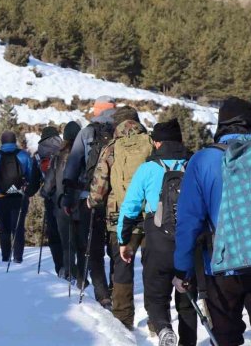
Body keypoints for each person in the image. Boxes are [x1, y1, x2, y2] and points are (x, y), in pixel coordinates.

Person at [172, 97, 251, 346]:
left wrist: (182, 269)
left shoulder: (203, 160)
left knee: (225, 337)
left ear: (222, 125)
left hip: (223, 263)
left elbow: (189, 221)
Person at [117, 119, 196, 346]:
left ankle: (163, 328)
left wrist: (124, 240)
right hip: (189, 239)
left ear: (156, 143)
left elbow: (130, 206)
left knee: (155, 294)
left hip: (158, 238)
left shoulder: (148, 168)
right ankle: (188, 342)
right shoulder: (193, 163)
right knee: (187, 300)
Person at [88, 116, 153, 330]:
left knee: (122, 265)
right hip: (151, 213)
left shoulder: (112, 148)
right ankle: (156, 320)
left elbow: (100, 181)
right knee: (152, 266)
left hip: (119, 215)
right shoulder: (151, 143)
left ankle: (124, 319)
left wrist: (92, 201)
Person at [62, 97, 120, 309]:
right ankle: (118, 288)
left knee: (93, 247)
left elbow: (73, 166)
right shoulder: (122, 130)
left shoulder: (86, 132)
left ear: (97, 111)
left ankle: (102, 293)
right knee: (116, 247)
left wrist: (68, 198)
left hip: (90, 198)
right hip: (118, 200)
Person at [0, 131, 34, 263]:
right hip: (19, 197)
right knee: (18, 228)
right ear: (14, 141)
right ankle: (18, 258)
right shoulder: (24, 155)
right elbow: (30, 176)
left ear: (2, 142)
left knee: (3, 229)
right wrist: (27, 190)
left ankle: (5, 258)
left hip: (0, 198)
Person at [43, 122, 83, 283]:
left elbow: (49, 184)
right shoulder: (86, 155)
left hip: (61, 205)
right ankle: (81, 276)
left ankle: (68, 272)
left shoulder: (57, 157)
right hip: (81, 204)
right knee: (81, 243)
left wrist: (46, 194)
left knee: (66, 244)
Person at [33, 126, 64, 274]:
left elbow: (34, 181)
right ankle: (72, 266)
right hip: (67, 197)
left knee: (54, 235)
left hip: (50, 198)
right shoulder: (66, 149)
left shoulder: (39, 154)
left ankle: (60, 268)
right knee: (69, 233)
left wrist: (27, 193)